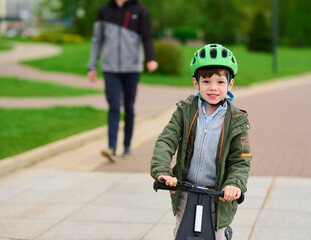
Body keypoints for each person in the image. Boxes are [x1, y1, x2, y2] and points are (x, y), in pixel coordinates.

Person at [150, 44, 252, 240]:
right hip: (186, 190)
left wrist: (234, 184)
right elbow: (167, 140)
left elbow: (241, 160)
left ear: (230, 84)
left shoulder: (237, 119)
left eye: (220, 82)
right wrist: (162, 171)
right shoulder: (186, 110)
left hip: (219, 195)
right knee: (182, 233)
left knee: (216, 235)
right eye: (206, 81)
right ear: (196, 83)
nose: (213, 87)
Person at [88, 0, 158, 162]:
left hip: (132, 68)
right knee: (113, 106)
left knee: (129, 106)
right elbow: (97, 40)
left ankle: (127, 145)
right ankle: (111, 147)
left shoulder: (140, 9)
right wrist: (92, 65)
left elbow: (147, 36)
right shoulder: (104, 10)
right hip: (110, 68)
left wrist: (151, 58)